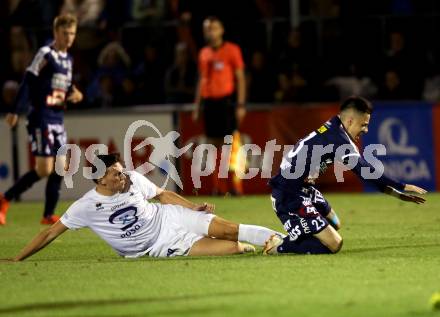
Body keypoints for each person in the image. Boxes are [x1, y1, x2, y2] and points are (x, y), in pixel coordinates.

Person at [4, 153, 283, 261]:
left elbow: (162, 195)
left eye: (122, 171)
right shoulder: (85, 206)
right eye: (115, 174)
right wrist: (18, 259)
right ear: (101, 178)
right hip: (156, 246)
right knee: (232, 249)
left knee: (229, 230)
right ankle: (252, 244)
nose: (122, 176)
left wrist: (193, 206)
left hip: (171, 217)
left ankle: (282, 240)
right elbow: (49, 233)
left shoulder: (134, 179)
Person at [264, 96, 426, 255]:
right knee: (334, 244)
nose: (366, 130)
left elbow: (366, 175)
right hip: (289, 194)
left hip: (305, 188)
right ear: (349, 121)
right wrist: (402, 186)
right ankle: (280, 245)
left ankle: (300, 235)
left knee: (334, 223)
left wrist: (398, 195)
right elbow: (367, 172)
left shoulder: (334, 126)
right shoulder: (339, 140)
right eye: (363, 125)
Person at [0, 13, 83, 225]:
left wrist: (75, 93)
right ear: (56, 33)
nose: (69, 38)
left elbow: (65, 84)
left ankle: (47, 215)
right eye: (65, 33)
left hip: (57, 117)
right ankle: (5, 199)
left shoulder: (68, 59)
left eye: (72, 33)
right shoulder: (46, 54)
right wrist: (15, 110)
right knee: (44, 169)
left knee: (61, 167)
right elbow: (28, 80)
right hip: (41, 117)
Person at [192, 16, 246, 196]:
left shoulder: (232, 50)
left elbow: (240, 78)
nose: (211, 32)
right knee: (213, 145)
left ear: (221, 30)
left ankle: (235, 187)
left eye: (214, 28)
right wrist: (197, 105)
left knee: (231, 144)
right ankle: (219, 188)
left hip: (227, 102)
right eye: (207, 29)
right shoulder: (203, 53)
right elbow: (202, 80)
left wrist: (240, 104)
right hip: (209, 103)